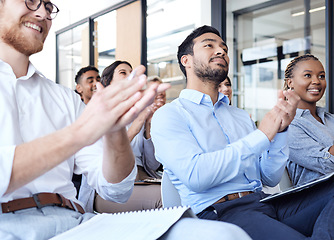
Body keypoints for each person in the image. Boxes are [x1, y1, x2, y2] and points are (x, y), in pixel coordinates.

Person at [0, 2, 252, 239]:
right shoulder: (81, 112)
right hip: (7, 223)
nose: (43, 13)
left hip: (74, 221)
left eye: (48, 6)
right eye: (31, 0)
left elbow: (116, 190)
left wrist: (115, 130)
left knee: (224, 235)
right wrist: (82, 132)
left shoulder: (63, 98)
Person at [151, 25, 334, 240]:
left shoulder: (238, 115)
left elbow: (268, 177)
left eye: (224, 49)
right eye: (209, 45)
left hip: (265, 202)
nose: (221, 51)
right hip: (221, 213)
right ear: (186, 60)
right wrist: (263, 135)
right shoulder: (170, 115)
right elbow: (196, 176)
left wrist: (281, 130)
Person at [92, 61, 164, 213]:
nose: (131, 76)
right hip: (111, 191)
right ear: (108, 83)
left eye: (132, 72)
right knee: (163, 199)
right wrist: (136, 125)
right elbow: (105, 159)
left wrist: (148, 126)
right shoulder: (98, 113)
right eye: (123, 73)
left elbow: (152, 165)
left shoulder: (139, 113)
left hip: (144, 180)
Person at [283, 54, 334, 185]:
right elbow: (328, 164)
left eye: (321, 76)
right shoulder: (288, 125)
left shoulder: (331, 119)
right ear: (290, 83)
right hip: (317, 199)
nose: (317, 81)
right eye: (308, 75)